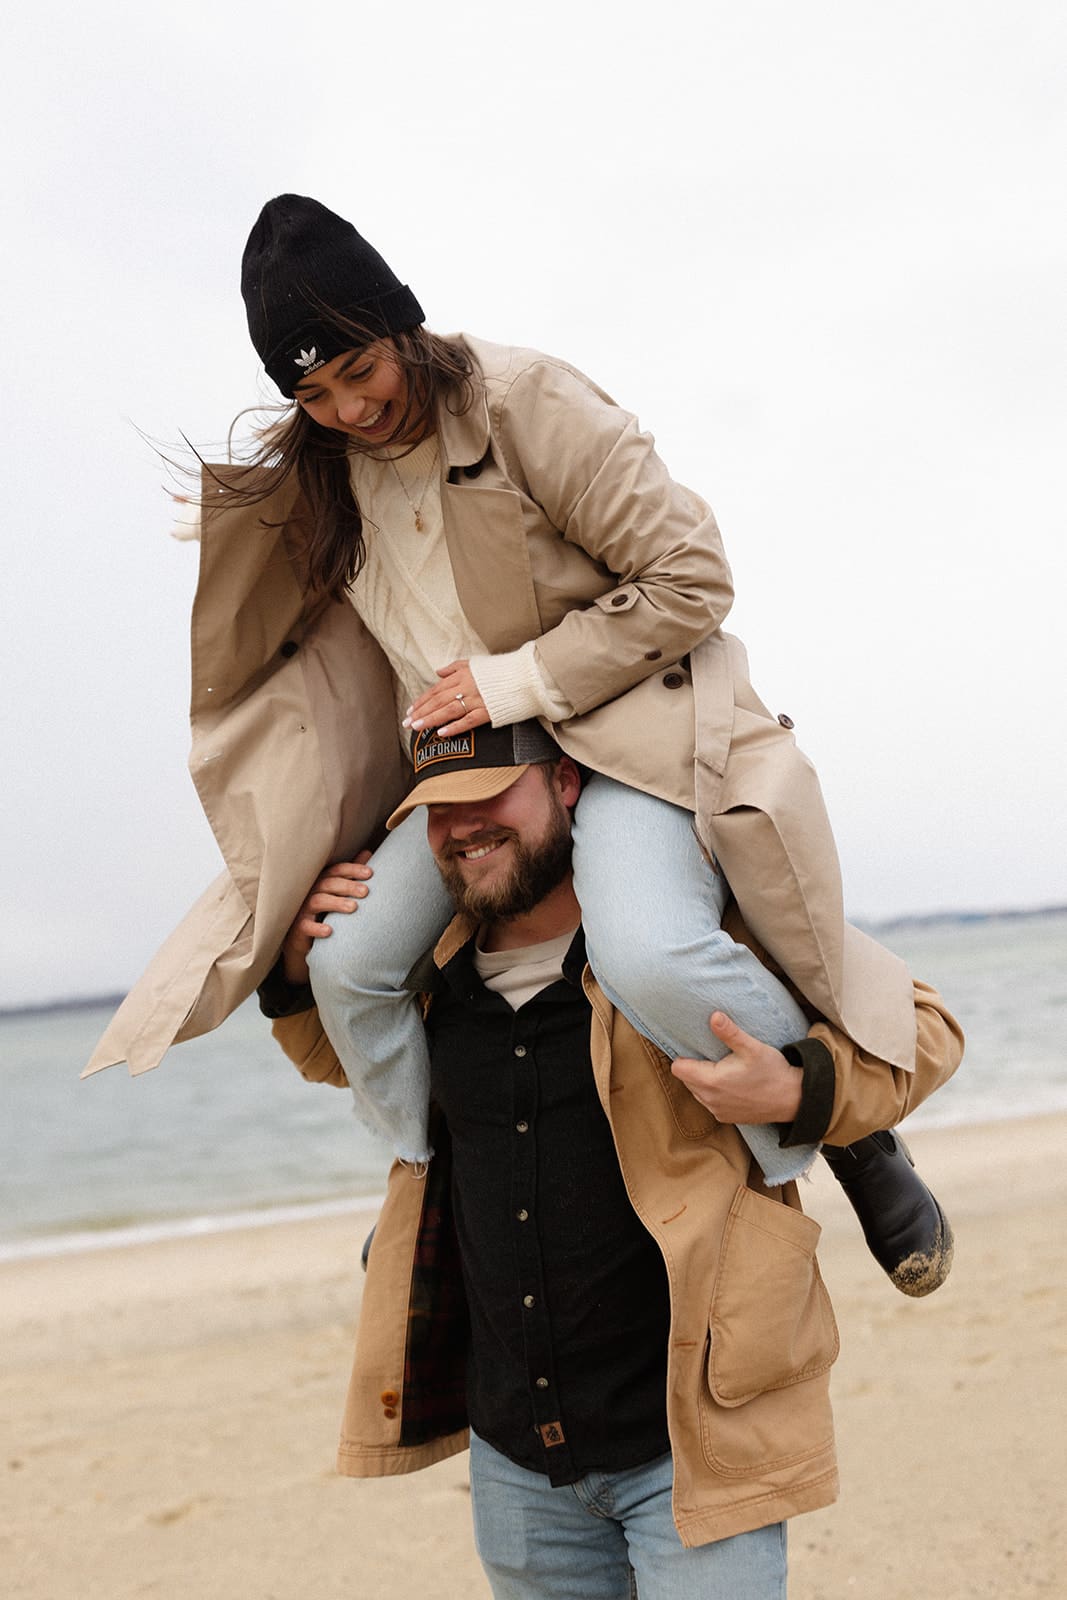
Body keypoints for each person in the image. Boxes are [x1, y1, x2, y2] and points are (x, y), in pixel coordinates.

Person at [86, 193, 935, 1276]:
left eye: (359, 369)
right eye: (313, 391)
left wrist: (516, 680)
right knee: (346, 966)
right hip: (463, 765)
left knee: (647, 954)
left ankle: (850, 1129)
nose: (349, 407)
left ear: (399, 323)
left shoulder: (529, 400)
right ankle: (433, 1180)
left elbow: (693, 578)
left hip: (618, 720)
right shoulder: (316, 480)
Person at [261, 724, 964, 1599]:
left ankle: (864, 1154)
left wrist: (794, 1092)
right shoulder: (432, 972)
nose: (462, 825)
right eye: (437, 811)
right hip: (516, 1462)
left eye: (488, 794)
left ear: (563, 784)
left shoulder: (692, 947)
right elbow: (340, 1059)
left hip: (694, 1442)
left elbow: (924, 1028)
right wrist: (297, 969)